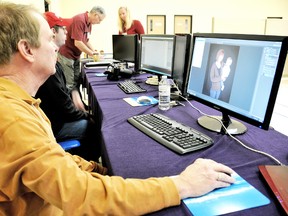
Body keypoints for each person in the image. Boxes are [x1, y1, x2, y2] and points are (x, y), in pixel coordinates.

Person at [0, 3, 235, 215]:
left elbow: (55, 159)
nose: (56, 48)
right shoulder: (13, 119)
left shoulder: (18, 102)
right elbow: (84, 195)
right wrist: (182, 185)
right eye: (49, 39)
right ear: (27, 50)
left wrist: (105, 171)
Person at [35, 12, 102, 161]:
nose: (67, 31)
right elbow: (66, 108)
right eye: (63, 28)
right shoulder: (48, 68)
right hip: (56, 126)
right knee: (94, 126)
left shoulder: (54, 63)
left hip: (56, 119)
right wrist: (88, 115)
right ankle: (91, 168)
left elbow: (62, 96)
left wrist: (72, 93)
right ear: (53, 32)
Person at [58, 6, 106, 91]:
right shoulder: (79, 19)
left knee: (76, 80)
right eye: (100, 20)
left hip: (76, 55)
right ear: (95, 15)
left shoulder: (89, 23)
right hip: (67, 54)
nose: (99, 23)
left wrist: (94, 51)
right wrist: (92, 54)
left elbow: (86, 40)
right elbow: (78, 43)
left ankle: (77, 102)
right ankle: (70, 103)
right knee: (69, 83)